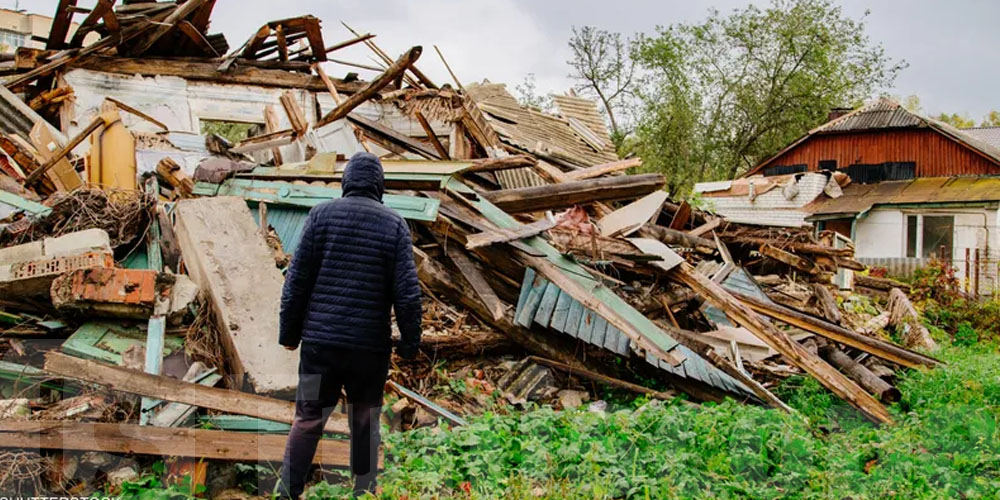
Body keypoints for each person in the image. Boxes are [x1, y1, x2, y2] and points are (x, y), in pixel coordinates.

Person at [277, 152, 422, 498]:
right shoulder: (394, 225)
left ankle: (287, 493)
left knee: (308, 417)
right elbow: (408, 295)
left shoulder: (319, 217)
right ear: (379, 186)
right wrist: (408, 344)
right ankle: (363, 492)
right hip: (368, 354)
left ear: (345, 182)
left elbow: (296, 283)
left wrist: (289, 334)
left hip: (318, 350)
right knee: (364, 421)